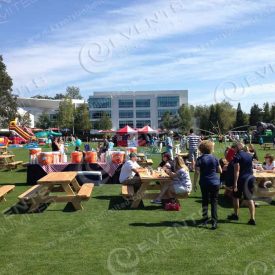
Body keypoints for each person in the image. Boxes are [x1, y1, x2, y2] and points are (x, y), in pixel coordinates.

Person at [194, 141, 222, 230]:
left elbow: (197, 172)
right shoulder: (215, 158)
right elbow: (220, 171)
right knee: (214, 202)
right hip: (215, 182)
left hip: (204, 182)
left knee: (205, 201)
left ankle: (205, 219)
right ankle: (214, 222)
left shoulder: (199, 159)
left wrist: (194, 183)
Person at [227, 143, 256, 225]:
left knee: (236, 197)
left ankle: (236, 215)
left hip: (241, 179)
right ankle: (252, 218)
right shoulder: (249, 155)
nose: (233, 149)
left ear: (237, 148)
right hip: (250, 178)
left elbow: (237, 171)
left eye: (234, 148)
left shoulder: (237, 156)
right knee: (250, 198)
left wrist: (235, 183)